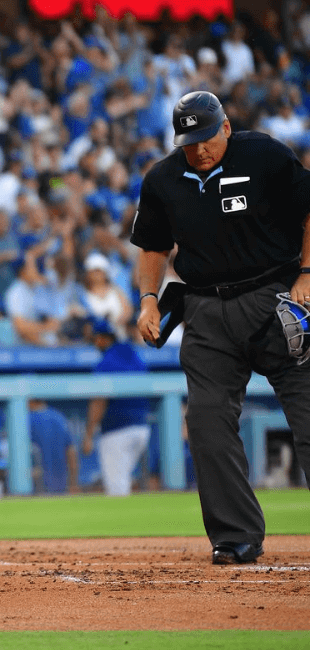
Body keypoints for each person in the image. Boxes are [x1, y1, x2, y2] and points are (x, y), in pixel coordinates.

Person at [132, 90, 310, 565]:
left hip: (274, 300)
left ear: (226, 127)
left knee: (308, 414)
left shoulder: (265, 155)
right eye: (190, 141)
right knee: (206, 420)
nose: (201, 148)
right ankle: (235, 536)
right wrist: (148, 299)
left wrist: (308, 273)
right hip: (206, 311)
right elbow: (151, 246)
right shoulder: (164, 178)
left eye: (208, 137)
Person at [82, 317, 151, 496]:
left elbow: (99, 400)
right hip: (142, 428)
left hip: (117, 431)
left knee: (117, 487)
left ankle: (125, 523)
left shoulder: (106, 362)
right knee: (124, 480)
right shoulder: (133, 354)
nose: (95, 343)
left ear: (105, 338)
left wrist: (89, 434)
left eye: (97, 338)